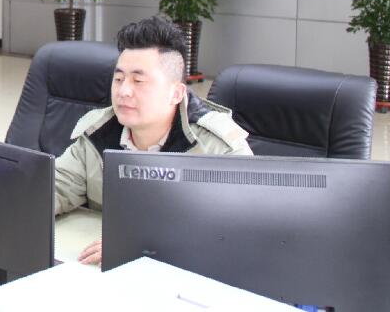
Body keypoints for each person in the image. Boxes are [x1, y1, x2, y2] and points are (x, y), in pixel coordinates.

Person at [54, 16, 252, 266]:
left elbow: (245, 226)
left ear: (176, 93)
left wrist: (148, 241)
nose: (124, 91)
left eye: (138, 81)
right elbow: (54, 189)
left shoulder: (219, 148)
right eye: (118, 79)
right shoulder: (97, 134)